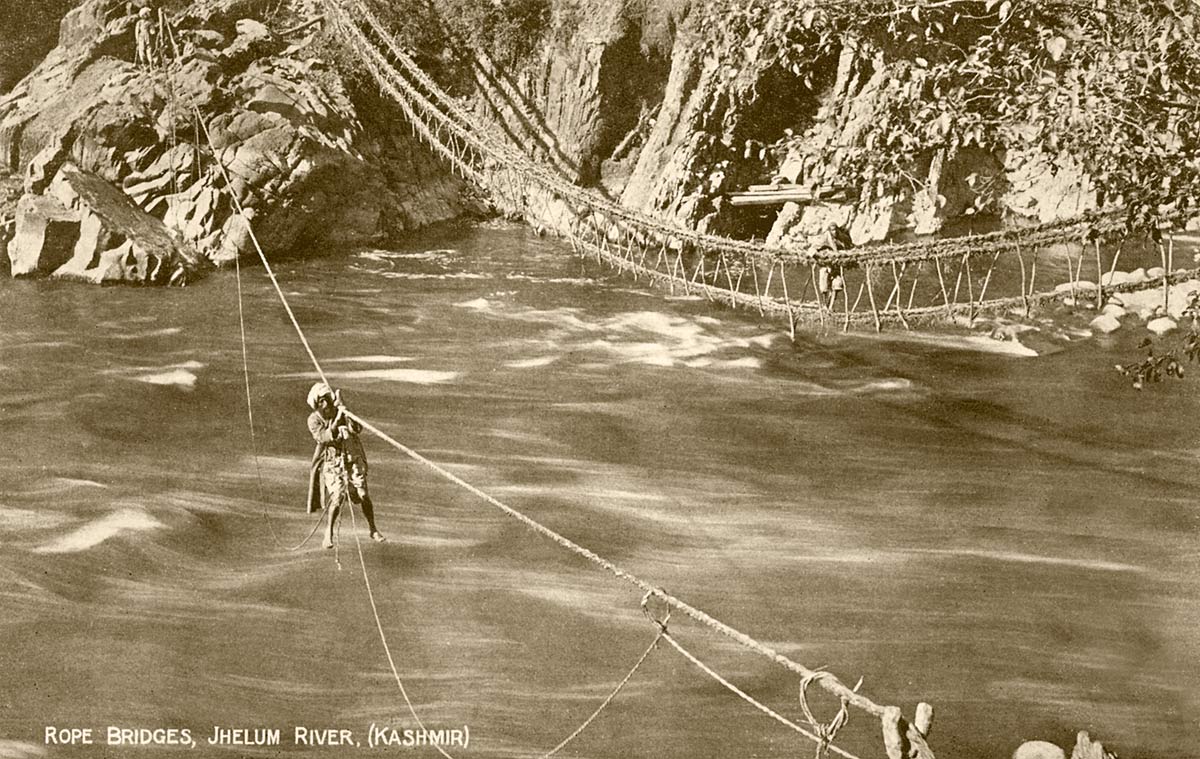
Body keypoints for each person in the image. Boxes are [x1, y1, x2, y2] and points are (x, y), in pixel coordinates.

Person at [305, 382, 385, 548]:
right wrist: (338, 417)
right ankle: (329, 533)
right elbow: (326, 436)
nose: (326, 404)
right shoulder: (314, 420)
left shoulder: (339, 408)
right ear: (317, 404)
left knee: (363, 493)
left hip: (352, 456)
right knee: (338, 496)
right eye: (322, 402)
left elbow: (356, 428)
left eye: (327, 399)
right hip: (333, 462)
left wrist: (345, 409)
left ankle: (373, 528)